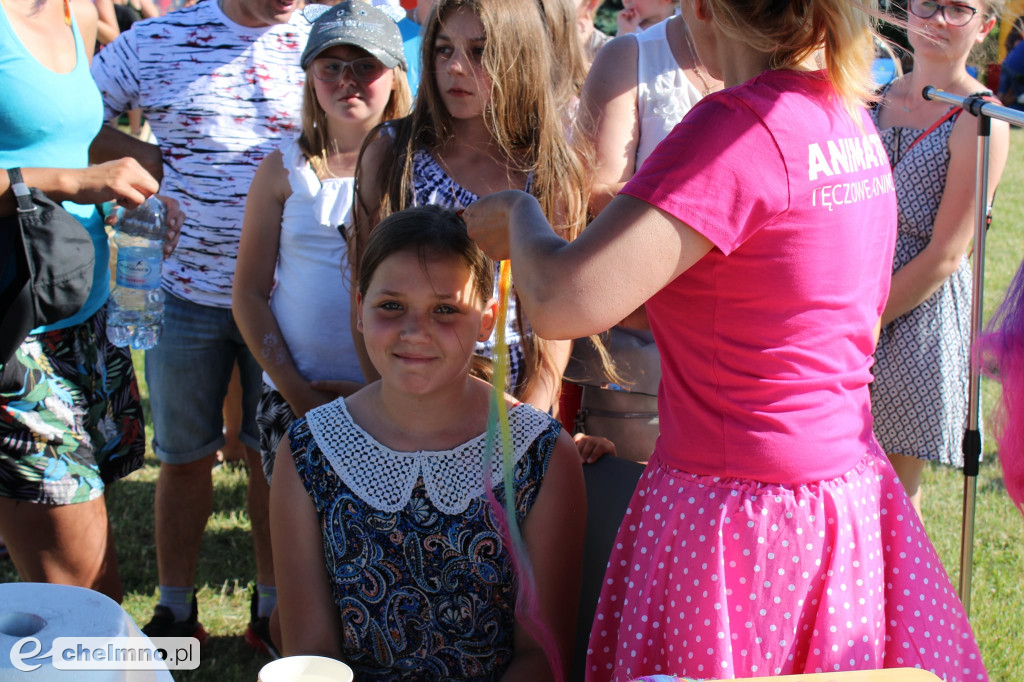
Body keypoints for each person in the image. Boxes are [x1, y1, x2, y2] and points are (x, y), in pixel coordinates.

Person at [463, 0, 989, 678]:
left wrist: (520, 216)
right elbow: (765, 297)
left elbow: (565, 301)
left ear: (705, 7)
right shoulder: (842, 112)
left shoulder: (739, 127)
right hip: (839, 499)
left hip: (736, 517)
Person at [270, 205, 585, 679]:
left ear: (486, 320)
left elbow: (542, 657)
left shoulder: (539, 454)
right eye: (391, 305)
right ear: (359, 310)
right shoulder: (309, 451)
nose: (415, 332)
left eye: (445, 310)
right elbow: (310, 654)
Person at [88, 0, 310, 651]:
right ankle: (175, 609)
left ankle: (272, 614)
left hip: (285, 296)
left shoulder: (321, 39)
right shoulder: (160, 39)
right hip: (181, 291)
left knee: (272, 458)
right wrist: (143, 164)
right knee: (184, 456)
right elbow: (73, 115)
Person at [0, 0, 180, 601]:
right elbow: (57, 166)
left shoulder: (74, 10)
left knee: (93, 556)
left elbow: (61, 132)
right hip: (15, 332)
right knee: (80, 587)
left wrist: (125, 164)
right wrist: (73, 181)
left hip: (89, 311)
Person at [353, 0, 589, 413]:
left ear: (521, 58)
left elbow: (557, 310)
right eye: (444, 49)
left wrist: (532, 415)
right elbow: (361, 284)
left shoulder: (550, 172)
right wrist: (386, 404)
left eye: (480, 52)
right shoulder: (393, 153)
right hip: (408, 399)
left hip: (513, 405)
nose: (456, 67)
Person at [234, 0, 412, 483]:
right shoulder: (282, 168)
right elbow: (248, 294)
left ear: (396, 75)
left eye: (365, 65)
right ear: (310, 76)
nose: (346, 79)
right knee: (296, 539)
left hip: (402, 392)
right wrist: (297, 392)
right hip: (298, 389)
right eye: (330, 66)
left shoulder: (419, 166)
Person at [870, 0, 1009, 520]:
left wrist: (867, 320)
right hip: (850, 301)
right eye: (928, 3)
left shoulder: (981, 119)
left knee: (892, 493)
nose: (937, 20)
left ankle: (900, 602)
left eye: (958, 9)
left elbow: (948, 254)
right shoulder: (871, 96)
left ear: (985, 26)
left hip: (915, 316)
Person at [563, 10, 721, 464]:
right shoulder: (632, 57)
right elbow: (594, 193)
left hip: (742, 344)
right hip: (643, 343)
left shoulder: (782, 55)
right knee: (632, 498)